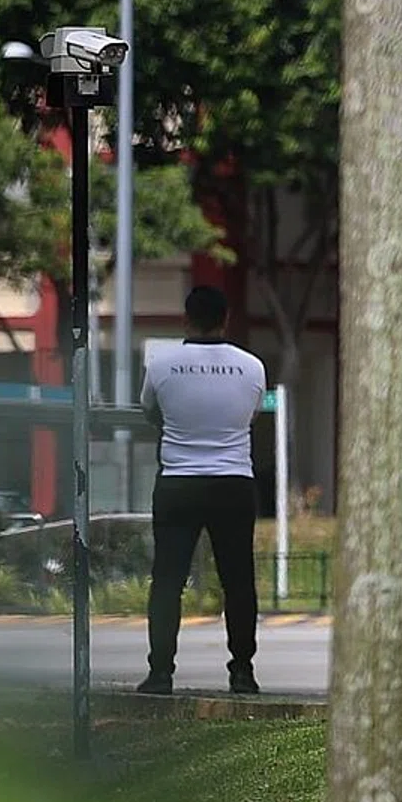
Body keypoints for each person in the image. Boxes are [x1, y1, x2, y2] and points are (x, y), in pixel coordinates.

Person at [135, 285, 267, 696]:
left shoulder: (162, 364)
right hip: (234, 483)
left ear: (185, 318)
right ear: (225, 318)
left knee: (168, 580)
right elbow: (252, 415)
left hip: (178, 482)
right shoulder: (252, 367)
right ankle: (242, 671)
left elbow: (149, 412)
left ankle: (160, 673)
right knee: (238, 581)